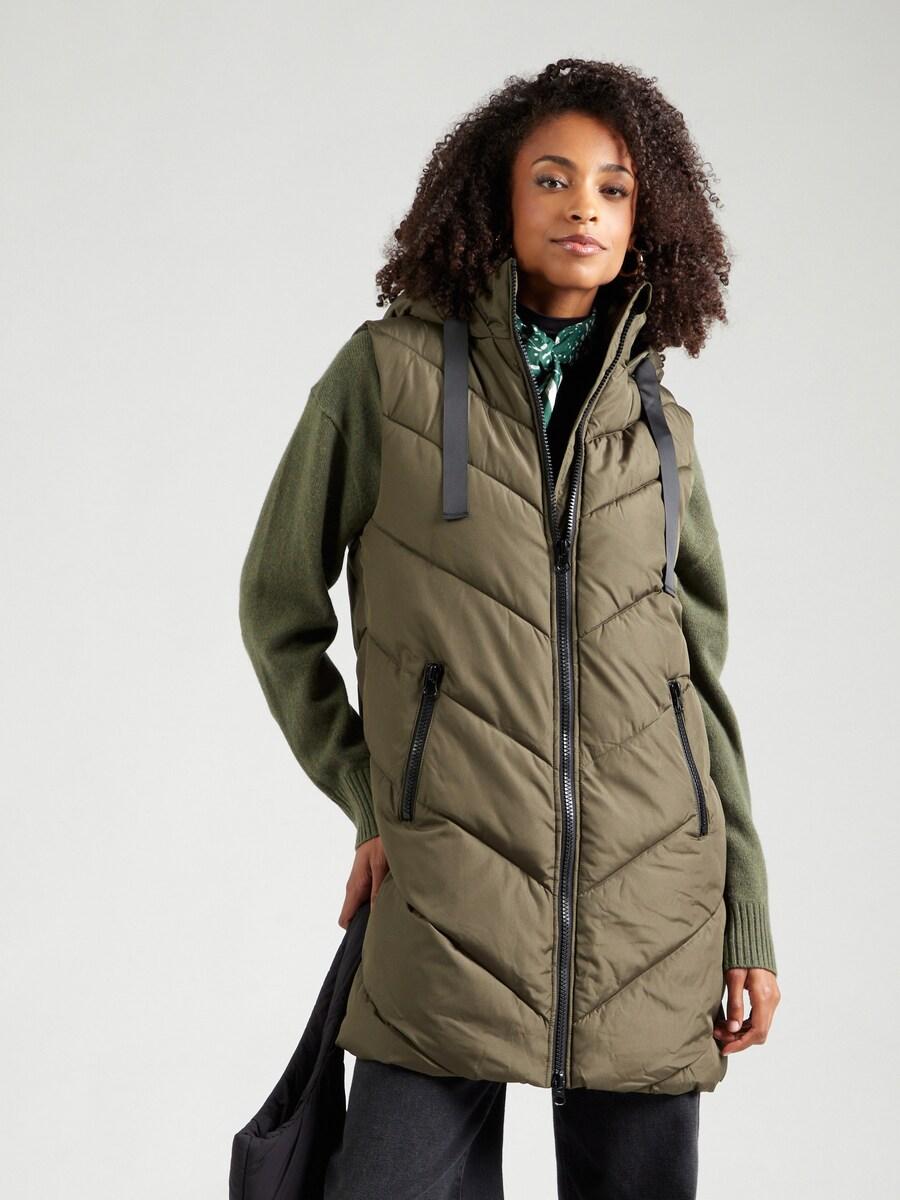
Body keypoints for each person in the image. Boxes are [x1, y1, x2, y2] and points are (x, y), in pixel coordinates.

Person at [238, 58, 781, 1200]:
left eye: (614, 187)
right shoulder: (388, 375)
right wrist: (371, 793)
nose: (584, 206)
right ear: (496, 197)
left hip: (653, 908)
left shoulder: (660, 426)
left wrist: (747, 918)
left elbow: (697, 684)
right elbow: (277, 604)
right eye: (552, 178)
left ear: (646, 219)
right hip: (448, 892)